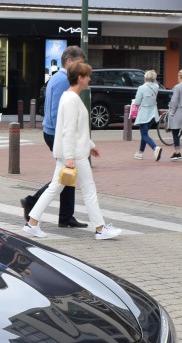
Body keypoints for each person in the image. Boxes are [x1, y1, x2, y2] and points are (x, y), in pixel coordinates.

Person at [23, 62, 121, 241]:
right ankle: (100, 229)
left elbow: (75, 129)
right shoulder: (71, 99)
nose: (90, 79)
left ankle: (32, 223)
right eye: (87, 76)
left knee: (55, 188)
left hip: (72, 152)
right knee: (88, 189)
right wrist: (70, 156)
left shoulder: (69, 97)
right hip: (74, 154)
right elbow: (69, 130)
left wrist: (90, 146)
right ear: (80, 78)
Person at [20, 45, 85, 228]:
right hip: (57, 133)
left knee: (68, 174)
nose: (81, 69)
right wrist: (65, 137)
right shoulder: (64, 80)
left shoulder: (56, 78)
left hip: (51, 131)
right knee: (63, 175)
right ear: (70, 62)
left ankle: (66, 216)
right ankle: (33, 201)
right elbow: (58, 112)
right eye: (79, 64)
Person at [132, 70, 164, 161]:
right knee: (144, 134)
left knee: (144, 134)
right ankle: (140, 153)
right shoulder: (156, 86)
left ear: (145, 78)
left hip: (144, 114)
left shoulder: (141, 88)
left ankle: (155, 148)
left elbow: (137, 102)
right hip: (153, 113)